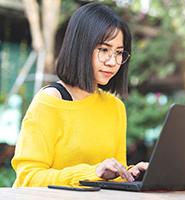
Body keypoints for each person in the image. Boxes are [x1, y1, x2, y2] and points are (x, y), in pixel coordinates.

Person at [11, 2, 148, 187]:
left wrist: (130, 173)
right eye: (104, 50)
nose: (112, 62)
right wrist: (92, 172)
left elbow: (112, 177)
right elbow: (28, 178)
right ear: (81, 47)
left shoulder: (115, 108)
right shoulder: (49, 102)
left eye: (119, 53)